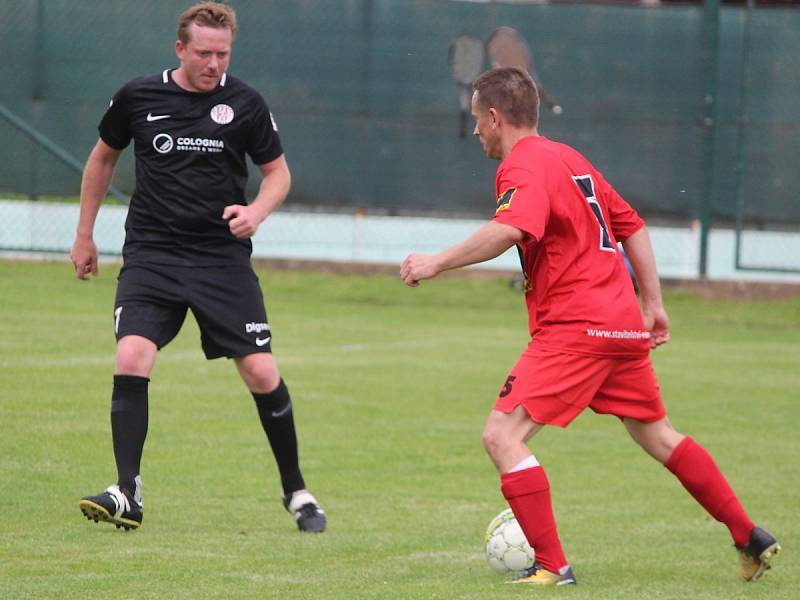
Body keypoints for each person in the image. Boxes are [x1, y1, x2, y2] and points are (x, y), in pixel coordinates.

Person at [400, 67, 779, 585]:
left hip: (577, 326)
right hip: (621, 324)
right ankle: (747, 534)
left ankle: (552, 567)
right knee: (659, 436)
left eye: (475, 121)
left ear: (494, 117)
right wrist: (654, 303)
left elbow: (510, 228)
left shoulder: (524, 165)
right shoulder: (570, 158)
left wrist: (436, 262)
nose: (475, 133)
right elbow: (632, 225)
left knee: (502, 435)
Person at [70, 2, 325, 533]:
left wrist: (256, 212)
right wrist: (84, 234)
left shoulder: (246, 103)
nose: (214, 64)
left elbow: (278, 175)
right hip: (153, 254)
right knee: (132, 353)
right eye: (204, 53)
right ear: (180, 49)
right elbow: (102, 158)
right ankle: (128, 491)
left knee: (259, 370)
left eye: (223, 54)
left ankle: (296, 491)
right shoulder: (139, 95)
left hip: (219, 259)